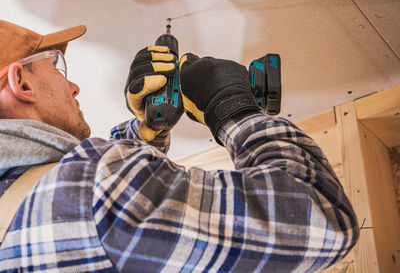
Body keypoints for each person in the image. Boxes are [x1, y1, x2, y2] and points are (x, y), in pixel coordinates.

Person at [0, 20, 359, 272]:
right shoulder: (92, 186)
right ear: (20, 82)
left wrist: (148, 131)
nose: (73, 87)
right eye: (57, 67)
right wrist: (232, 107)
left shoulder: (55, 196)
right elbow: (320, 215)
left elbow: (106, 226)